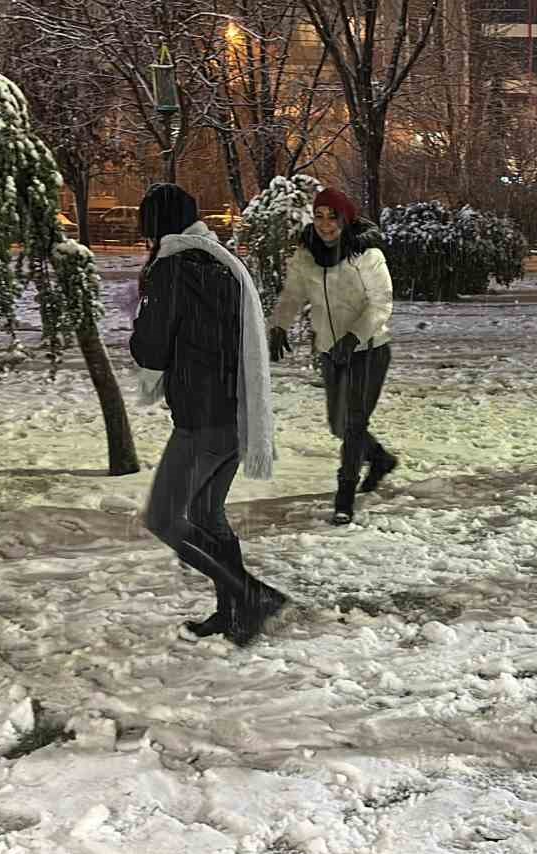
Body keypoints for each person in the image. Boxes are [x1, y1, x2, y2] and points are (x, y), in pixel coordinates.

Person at [130, 183, 288, 646]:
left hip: (203, 418)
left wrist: (138, 323)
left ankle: (249, 595)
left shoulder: (173, 270)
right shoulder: (221, 264)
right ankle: (233, 611)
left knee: (163, 518)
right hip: (238, 412)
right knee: (206, 512)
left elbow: (152, 345)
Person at [268, 187, 396, 525]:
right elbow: (293, 295)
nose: (326, 225)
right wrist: (279, 325)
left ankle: (345, 496)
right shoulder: (306, 255)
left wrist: (354, 337)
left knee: (354, 422)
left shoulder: (367, 255)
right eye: (320, 216)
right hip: (329, 350)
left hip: (369, 350)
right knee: (338, 424)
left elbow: (380, 303)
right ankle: (380, 459)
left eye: (333, 217)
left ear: (345, 218)